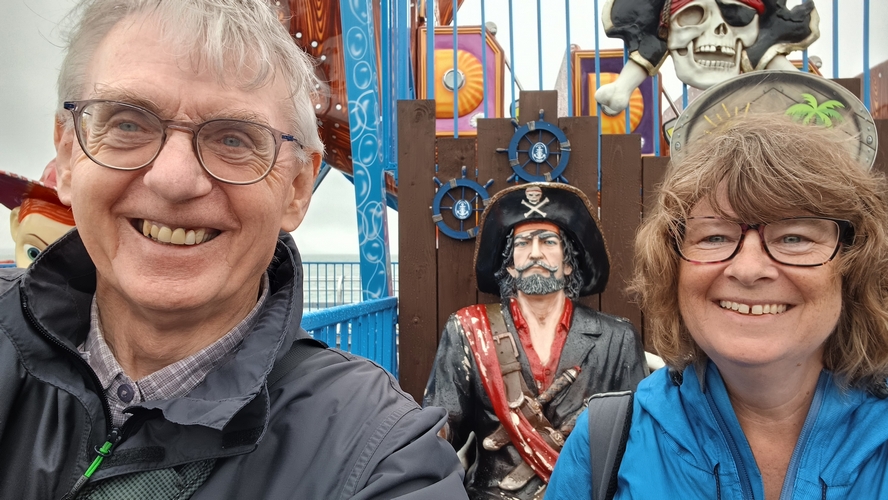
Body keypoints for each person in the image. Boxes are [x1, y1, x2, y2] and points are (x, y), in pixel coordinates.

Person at [0, 1, 467, 498]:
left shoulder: (381, 458)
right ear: (68, 154)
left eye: (234, 139)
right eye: (129, 124)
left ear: (297, 189)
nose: (175, 180)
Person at [546, 112, 888, 498]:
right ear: (672, 268)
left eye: (794, 238)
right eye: (714, 237)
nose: (748, 269)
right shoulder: (606, 445)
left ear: (854, 266)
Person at [424, 182, 647, 499]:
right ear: (510, 266)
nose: (535, 253)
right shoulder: (468, 328)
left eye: (548, 241)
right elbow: (443, 429)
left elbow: (639, 438)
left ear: (568, 263)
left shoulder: (617, 338)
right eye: (523, 243)